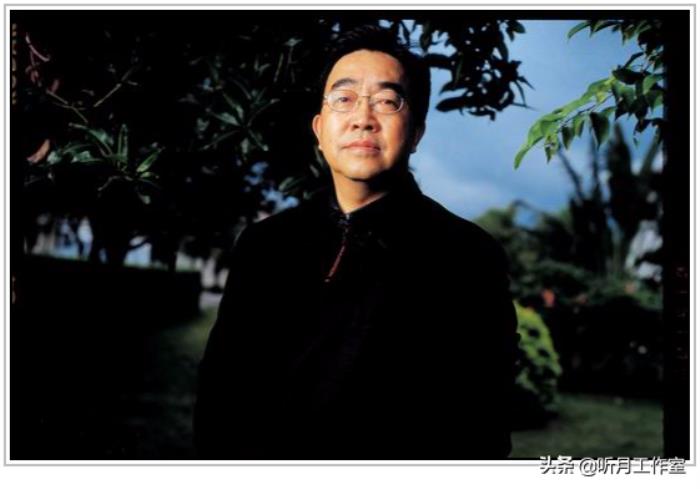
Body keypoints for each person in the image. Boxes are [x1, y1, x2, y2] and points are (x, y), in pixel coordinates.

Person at [194, 25, 519, 460]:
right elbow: (220, 397)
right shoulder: (264, 245)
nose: (362, 117)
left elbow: (483, 429)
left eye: (387, 101)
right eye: (343, 99)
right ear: (319, 128)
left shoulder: (467, 256)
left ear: (416, 132)